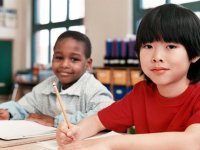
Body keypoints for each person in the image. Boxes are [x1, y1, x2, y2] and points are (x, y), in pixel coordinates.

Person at [56, 4, 200, 150]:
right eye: (148, 46)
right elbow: (97, 121)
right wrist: (76, 131)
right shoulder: (141, 94)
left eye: (170, 46)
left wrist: (109, 143)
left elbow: (192, 141)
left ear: (195, 54)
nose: (157, 57)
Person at [0, 31, 114, 127]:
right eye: (59, 58)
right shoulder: (47, 85)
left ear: (88, 64)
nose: (64, 64)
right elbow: (22, 107)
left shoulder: (93, 89)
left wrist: (55, 121)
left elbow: (107, 116)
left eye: (74, 59)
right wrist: (9, 112)